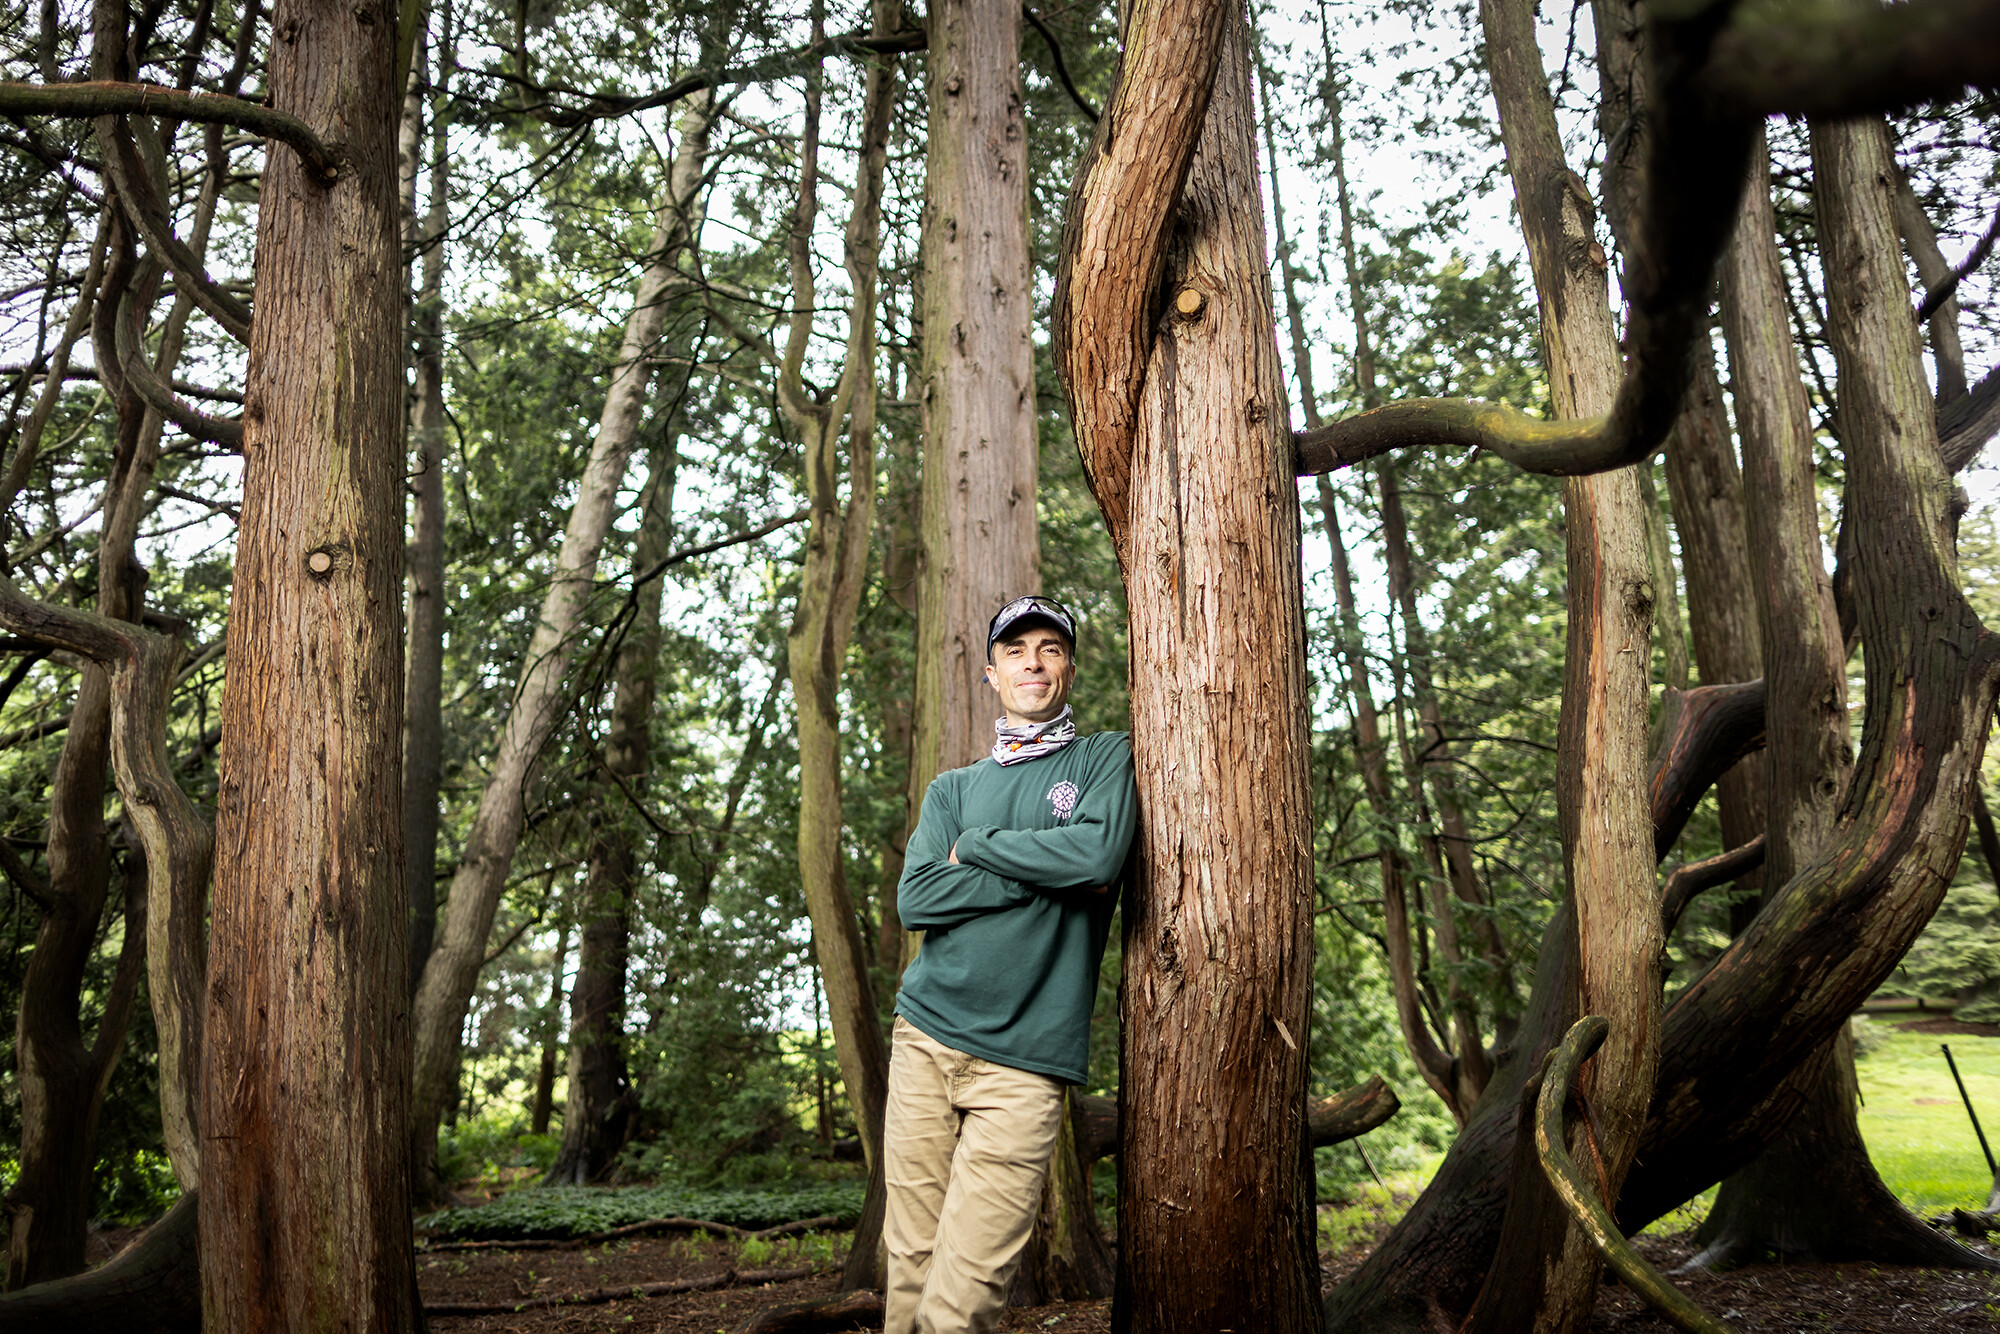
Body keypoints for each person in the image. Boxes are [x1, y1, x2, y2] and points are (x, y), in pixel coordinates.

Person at [883, 594, 1137, 1334]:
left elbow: (1096, 857)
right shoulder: (952, 789)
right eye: (1016, 649)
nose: (1033, 661)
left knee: (961, 1305)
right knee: (909, 1277)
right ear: (991, 673)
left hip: (1025, 1063)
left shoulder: (1102, 758)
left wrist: (980, 846)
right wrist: (1041, 877)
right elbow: (919, 897)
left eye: (1050, 649)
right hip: (924, 1038)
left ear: (1070, 669)